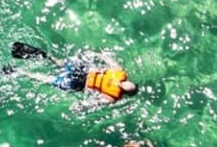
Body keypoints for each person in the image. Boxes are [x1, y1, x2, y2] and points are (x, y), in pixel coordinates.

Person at [10, 42, 139, 108]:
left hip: (80, 76)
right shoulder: (115, 87)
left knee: (55, 70)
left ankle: (31, 64)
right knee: (52, 74)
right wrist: (81, 106)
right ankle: (26, 68)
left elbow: (107, 58)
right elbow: (95, 102)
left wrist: (95, 54)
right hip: (80, 77)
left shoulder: (116, 81)